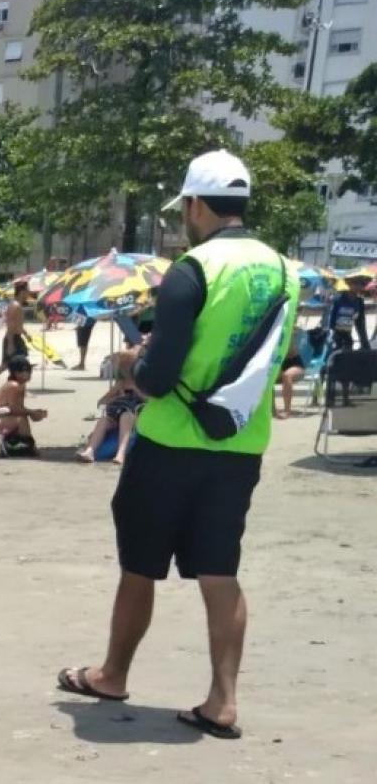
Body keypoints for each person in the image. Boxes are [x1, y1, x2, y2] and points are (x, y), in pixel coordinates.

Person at [56, 150, 300, 741]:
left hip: (168, 444)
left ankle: (113, 674)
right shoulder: (284, 271)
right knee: (220, 572)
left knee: (140, 567)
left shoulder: (193, 268)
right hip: (239, 443)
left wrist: (128, 360)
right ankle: (223, 700)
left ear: (195, 205)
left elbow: (159, 378)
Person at [78, 349, 144, 464]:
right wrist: (116, 397)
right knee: (103, 420)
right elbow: (101, 402)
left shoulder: (142, 383)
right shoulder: (121, 384)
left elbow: (150, 400)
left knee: (126, 416)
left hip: (134, 414)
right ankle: (90, 450)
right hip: (115, 414)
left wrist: (137, 391)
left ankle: (120, 453)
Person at [0, 355, 47, 456]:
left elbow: (18, 408)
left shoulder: (19, 384)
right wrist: (33, 413)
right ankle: (27, 447)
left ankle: (20, 445)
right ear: (16, 373)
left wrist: (33, 413)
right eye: (26, 371)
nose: (29, 373)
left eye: (29, 370)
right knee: (21, 419)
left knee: (22, 417)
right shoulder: (14, 386)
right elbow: (15, 409)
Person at [0, 282, 30, 396]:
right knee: (10, 364)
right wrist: (10, 344)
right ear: (22, 291)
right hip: (12, 339)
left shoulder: (17, 305)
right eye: (27, 291)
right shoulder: (15, 306)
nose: (28, 293)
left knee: (12, 364)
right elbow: (10, 325)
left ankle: (17, 388)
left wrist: (25, 333)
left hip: (16, 337)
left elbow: (18, 324)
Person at [327, 276, 370, 354]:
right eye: (355, 283)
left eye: (361, 284)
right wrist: (330, 334)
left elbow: (360, 324)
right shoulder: (338, 299)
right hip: (335, 337)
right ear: (349, 283)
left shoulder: (359, 302)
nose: (358, 287)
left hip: (347, 336)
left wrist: (365, 344)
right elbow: (330, 318)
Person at [273, 332, 306, 420]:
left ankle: (287, 410)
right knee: (268, 378)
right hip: (277, 362)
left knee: (287, 375)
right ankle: (272, 410)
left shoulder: (288, 330)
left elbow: (290, 351)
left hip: (294, 363)